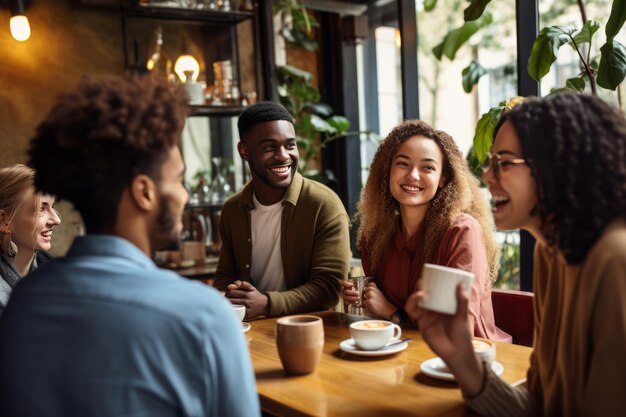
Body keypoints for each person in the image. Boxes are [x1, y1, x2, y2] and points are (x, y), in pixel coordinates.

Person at [0, 75, 260, 417]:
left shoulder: (26, 301)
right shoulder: (204, 317)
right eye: (179, 179)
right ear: (144, 192)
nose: (185, 195)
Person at [406, 93, 626, 416]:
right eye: (491, 162)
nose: (487, 177)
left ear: (557, 166)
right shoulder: (550, 255)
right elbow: (536, 405)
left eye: (504, 163)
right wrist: (462, 358)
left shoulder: (614, 259)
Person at [343, 120, 509, 342]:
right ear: (388, 171)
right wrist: (360, 300)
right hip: (404, 353)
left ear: (443, 179)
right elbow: (378, 316)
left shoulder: (462, 232)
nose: (413, 175)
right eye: (403, 164)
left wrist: (392, 314)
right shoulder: (374, 237)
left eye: (427, 167)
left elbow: (455, 331)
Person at [214, 101, 351, 319]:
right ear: (245, 150)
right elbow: (224, 277)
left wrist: (268, 304)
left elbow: (329, 288)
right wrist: (233, 291)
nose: (283, 156)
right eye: (269, 147)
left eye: (290, 145)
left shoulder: (323, 204)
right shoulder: (233, 210)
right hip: (252, 331)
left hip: (312, 330)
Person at [0, 164, 61, 316]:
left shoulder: (59, 278)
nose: (56, 219)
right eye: (41, 209)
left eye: (52, 207)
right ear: (4, 221)